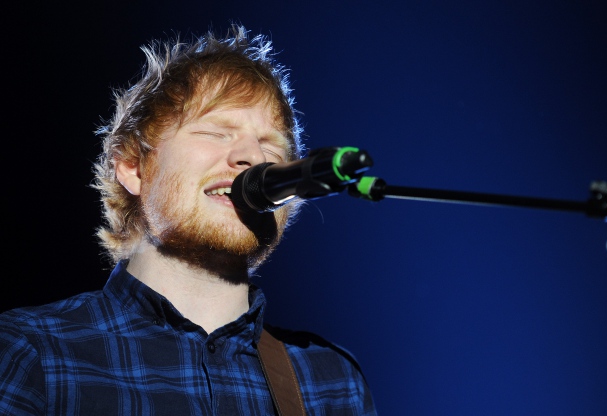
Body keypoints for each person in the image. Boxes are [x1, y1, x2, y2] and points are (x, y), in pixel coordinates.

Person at [0, 25, 376, 415]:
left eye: (270, 145)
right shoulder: (34, 354)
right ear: (133, 167)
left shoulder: (331, 382)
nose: (252, 157)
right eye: (215, 132)